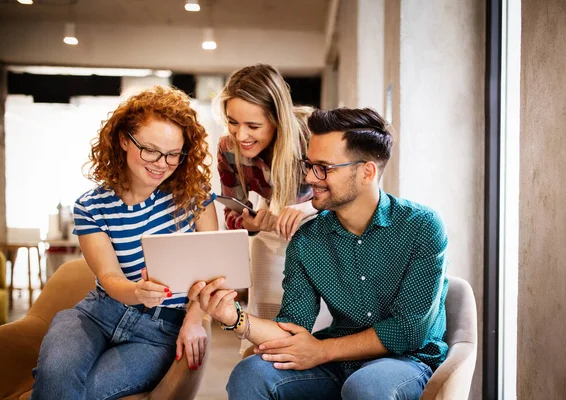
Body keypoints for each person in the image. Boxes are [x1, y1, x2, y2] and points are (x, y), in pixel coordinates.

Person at [189, 107, 450, 400]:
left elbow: (407, 331)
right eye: (309, 164)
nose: (310, 178)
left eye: (324, 167)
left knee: (367, 386)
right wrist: (234, 317)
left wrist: (322, 350)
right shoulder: (307, 239)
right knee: (250, 373)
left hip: (404, 362)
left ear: (367, 171)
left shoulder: (421, 226)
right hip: (335, 364)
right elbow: (293, 327)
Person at [31, 86, 218, 399]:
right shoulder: (92, 207)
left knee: (86, 393)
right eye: (151, 150)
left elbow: (215, 272)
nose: (161, 163)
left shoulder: (194, 197)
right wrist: (136, 291)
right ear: (122, 140)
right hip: (97, 314)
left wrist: (195, 319)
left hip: (159, 333)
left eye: (174, 154)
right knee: (54, 379)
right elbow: (108, 277)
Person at [215, 64, 330, 346]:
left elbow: (344, 194)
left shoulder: (312, 135)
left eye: (253, 126)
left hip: (323, 239)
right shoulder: (227, 150)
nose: (241, 136)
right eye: (233, 122)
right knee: (266, 330)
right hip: (270, 239)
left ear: (278, 119)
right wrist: (247, 223)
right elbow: (232, 211)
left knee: (314, 333)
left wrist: (307, 208)